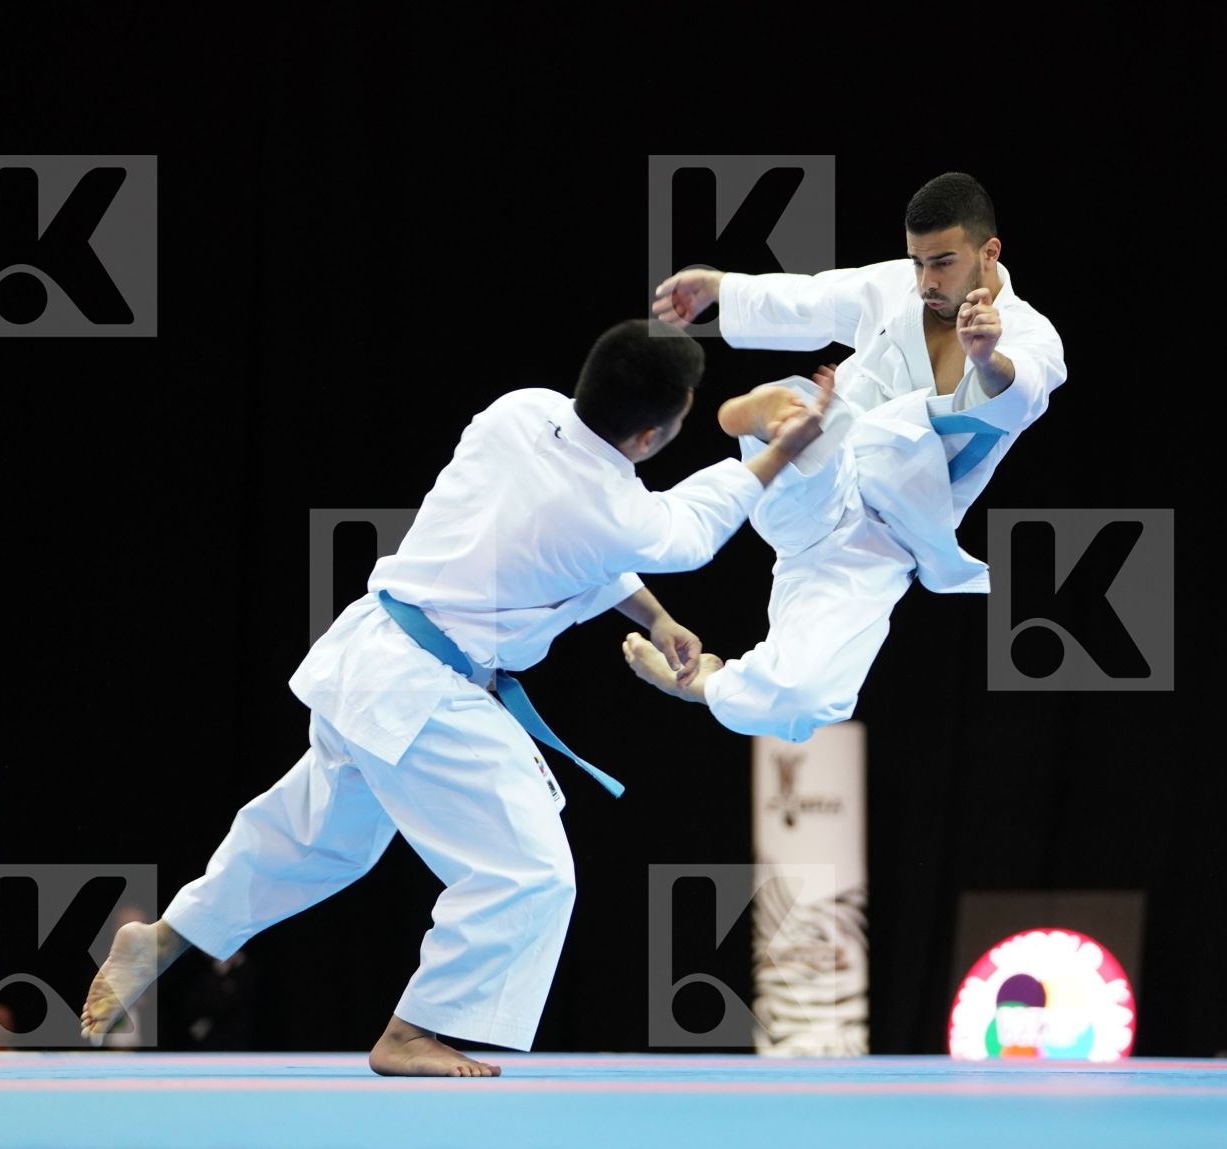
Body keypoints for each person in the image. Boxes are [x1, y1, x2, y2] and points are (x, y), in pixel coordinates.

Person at [81, 318, 829, 1076]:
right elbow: (686, 530)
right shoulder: (614, 510)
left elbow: (570, 539)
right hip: (420, 691)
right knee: (531, 871)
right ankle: (412, 1030)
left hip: (371, 655)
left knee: (312, 838)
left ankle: (170, 934)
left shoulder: (520, 411)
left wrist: (656, 614)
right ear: (650, 437)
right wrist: (781, 451)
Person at [627, 172, 1068, 741]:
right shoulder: (895, 288)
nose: (926, 280)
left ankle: (699, 684)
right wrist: (721, 286)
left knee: (809, 699)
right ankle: (766, 417)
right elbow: (810, 298)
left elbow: (1024, 390)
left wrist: (986, 360)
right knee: (802, 423)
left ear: (990, 252)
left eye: (943, 262)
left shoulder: (1030, 335)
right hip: (828, 456)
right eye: (917, 262)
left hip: (880, 541)